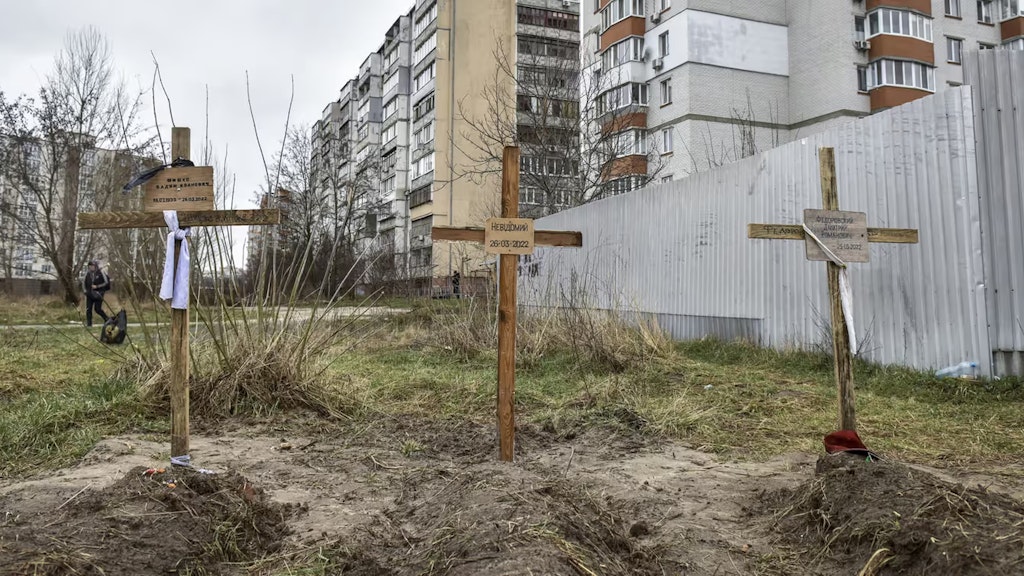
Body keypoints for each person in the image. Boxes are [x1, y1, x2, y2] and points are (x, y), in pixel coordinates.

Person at [83, 260, 110, 327]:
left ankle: (107, 319)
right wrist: (85, 291)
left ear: (95, 266)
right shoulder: (87, 273)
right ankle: (89, 324)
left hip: (99, 293)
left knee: (97, 309)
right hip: (89, 294)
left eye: (93, 266)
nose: (91, 267)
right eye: (90, 266)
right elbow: (83, 282)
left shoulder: (100, 272)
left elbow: (106, 282)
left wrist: (97, 286)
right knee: (88, 309)